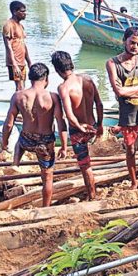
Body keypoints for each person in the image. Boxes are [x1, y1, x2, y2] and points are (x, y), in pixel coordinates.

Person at [1, 63, 68, 207]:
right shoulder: (53, 97)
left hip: (27, 140)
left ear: (30, 78)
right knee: (47, 176)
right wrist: (63, 146)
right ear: (46, 79)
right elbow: (61, 123)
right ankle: (46, 207)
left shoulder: (18, 96)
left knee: (19, 142)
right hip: (45, 144)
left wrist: (4, 143)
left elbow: (8, 124)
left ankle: (15, 163)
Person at [106, 27, 138, 189]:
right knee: (131, 150)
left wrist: (129, 93)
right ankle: (134, 182)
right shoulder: (113, 63)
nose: (135, 46)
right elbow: (119, 92)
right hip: (127, 117)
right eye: (132, 42)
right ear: (124, 41)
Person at [52, 51, 104, 200]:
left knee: (85, 165)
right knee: (86, 162)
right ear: (71, 64)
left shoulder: (64, 87)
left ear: (57, 70)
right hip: (93, 125)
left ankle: (92, 195)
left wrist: (80, 127)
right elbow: (99, 104)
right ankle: (92, 191)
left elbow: (69, 115)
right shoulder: (87, 79)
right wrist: (99, 124)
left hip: (78, 130)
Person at [3, 1, 31, 91]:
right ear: (15, 12)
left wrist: (29, 62)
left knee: (23, 86)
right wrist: (14, 64)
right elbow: (8, 46)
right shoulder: (9, 25)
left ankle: (20, 104)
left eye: (25, 11)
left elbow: (23, 44)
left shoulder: (21, 26)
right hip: (14, 62)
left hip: (22, 61)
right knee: (19, 88)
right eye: (22, 11)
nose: (25, 14)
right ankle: (17, 104)